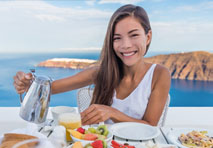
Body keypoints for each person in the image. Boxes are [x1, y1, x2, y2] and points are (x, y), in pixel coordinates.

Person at [13, 4, 171, 126]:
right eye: (117, 38)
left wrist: (112, 113)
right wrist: (28, 84)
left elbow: (150, 127)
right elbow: (49, 89)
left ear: (148, 37)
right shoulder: (101, 72)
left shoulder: (159, 75)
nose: (126, 45)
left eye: (134, 35)